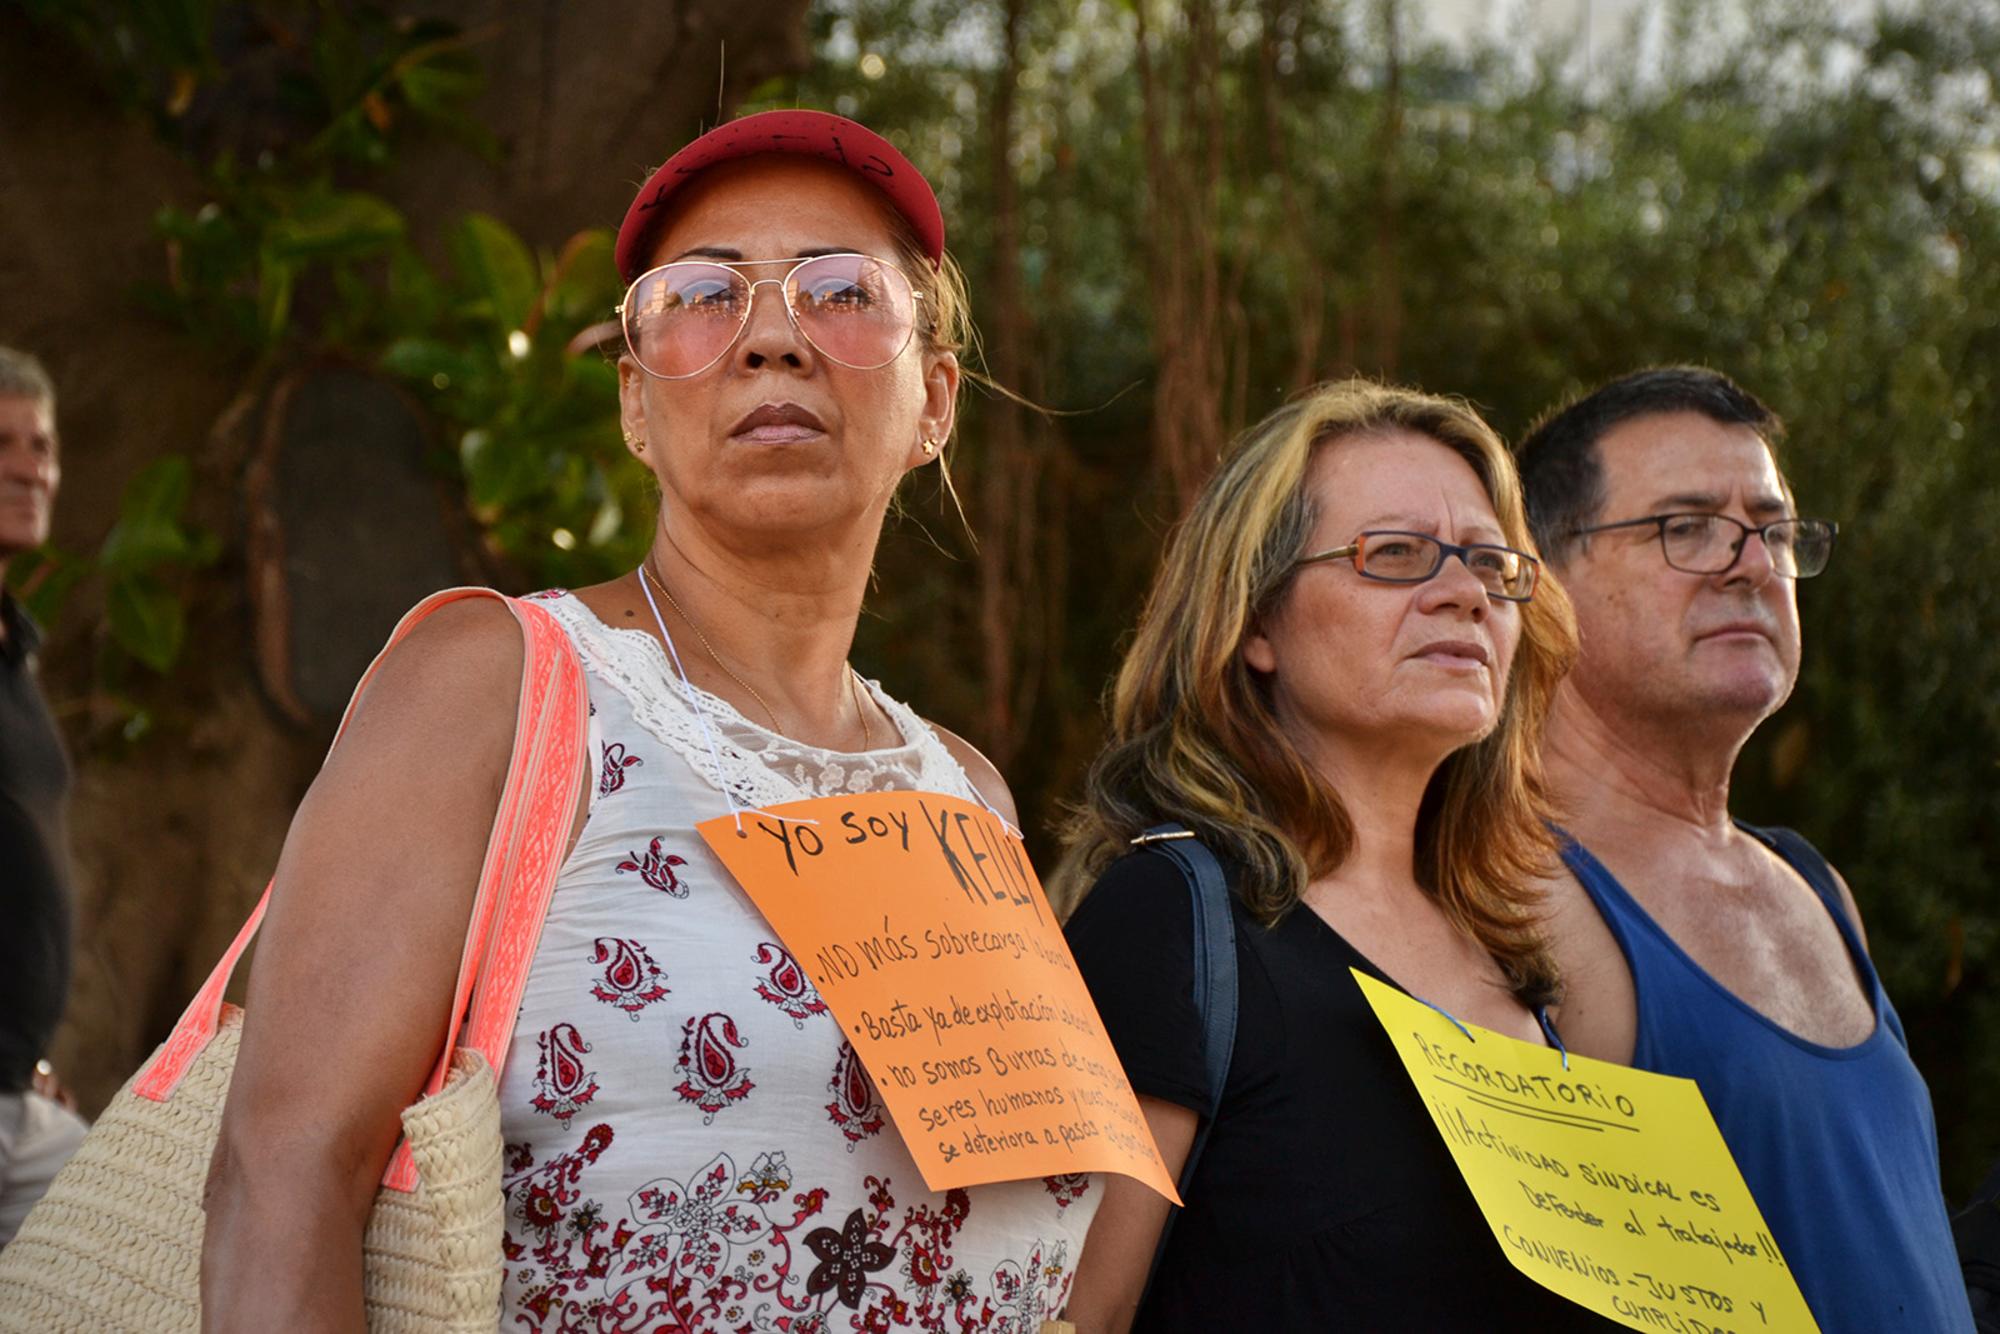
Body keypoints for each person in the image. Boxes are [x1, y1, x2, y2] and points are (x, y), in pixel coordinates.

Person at [202, 110, 1099, 1330]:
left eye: (840, 290)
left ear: (935, 399)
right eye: (702, 294)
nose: (773, 336)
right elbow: (283, 1170)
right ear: (634, 402)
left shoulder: (967, 794)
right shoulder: (501, 684)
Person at [1055, 380, 1615, 1332]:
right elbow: (1081, 1315)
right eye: (1395, 556)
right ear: (1258, 621)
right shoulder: (1171, 920)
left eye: (1491, 563)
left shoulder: (1521, 962)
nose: (1466, 594)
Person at [1517, 365, 1975, 1333]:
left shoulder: (1815, 887)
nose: (1750, 562)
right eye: (1683, 526)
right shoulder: (1517, 897)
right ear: (1542, 586)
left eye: (1770, 529)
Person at [0, 345, 87, 1248]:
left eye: (42, 445)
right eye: (3, 443)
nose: (30, 466)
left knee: (110, 1252)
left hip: (19, 1100)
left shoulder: (15, 653)